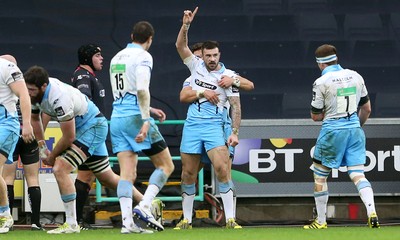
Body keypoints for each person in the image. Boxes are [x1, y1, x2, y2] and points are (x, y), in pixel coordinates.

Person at [24, 65, 154, 234]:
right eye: (27, 89)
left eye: (31, 90)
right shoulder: (37, 95)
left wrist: (52, 156)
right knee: (107, 178)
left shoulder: (58, 97)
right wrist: (42, 149)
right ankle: (148, 203)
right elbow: (35, 119)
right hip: (87, 127)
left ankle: (71, 223)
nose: (28, 93)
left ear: (43, 86)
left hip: (92, 127)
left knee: (60, 168)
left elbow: (68, 137)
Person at [71, 44, 165, 230]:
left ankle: (75, 221)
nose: (101, 58)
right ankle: (146, 203)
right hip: (89, 132)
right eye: (97, 55)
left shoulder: (89, 76)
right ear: (87, 58)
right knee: (98, 176)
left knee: (90, 175)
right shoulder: (82, 76)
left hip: (93, 133)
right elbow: (84, 101)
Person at [175, 7, 242, 229]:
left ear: (219, 55)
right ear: (201, 56)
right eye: (208, 55)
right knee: (188, 173)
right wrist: (186, 25)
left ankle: (231, 219)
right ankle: (186, 219)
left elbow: (236, 106)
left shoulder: (228, 76)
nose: (211, 59)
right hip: (193, 126)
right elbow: (180, 46)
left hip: (214, 126)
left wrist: (234, 132)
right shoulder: (194, 68)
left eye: (215, 55)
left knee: (223, 169)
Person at [304, 44, 379, 229]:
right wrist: (354, 126)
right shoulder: (356, 76)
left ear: (320, 64)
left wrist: (331, 115)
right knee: (358, 174)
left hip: (332, 131)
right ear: (336, 59)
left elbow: (315, 116)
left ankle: (321, 221)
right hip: (355, 129)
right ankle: (372, 212)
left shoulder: (321, 82)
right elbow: (367, 109)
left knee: (320, 177)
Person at [109, 21, 175, 233]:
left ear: (131, 36)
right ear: (150, 39)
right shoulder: (144, 57)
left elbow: (127, 93)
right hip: (135, 118)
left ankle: (127, 224)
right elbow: (141, 89)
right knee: (166, 165)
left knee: (127, 174)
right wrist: (146, 120)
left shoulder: (116, 57)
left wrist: (150, 109)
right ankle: (145, 206)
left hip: (117, 118)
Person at [1, 55, 43, 231]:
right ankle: (35, 221)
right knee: (31, 178)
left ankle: (5, 215)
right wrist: (41, 140)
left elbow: (32, 109)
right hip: (27, 135)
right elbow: (39, 116)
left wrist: (26, 125)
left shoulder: (7, 69)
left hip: (10, 127)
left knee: (9, 177)